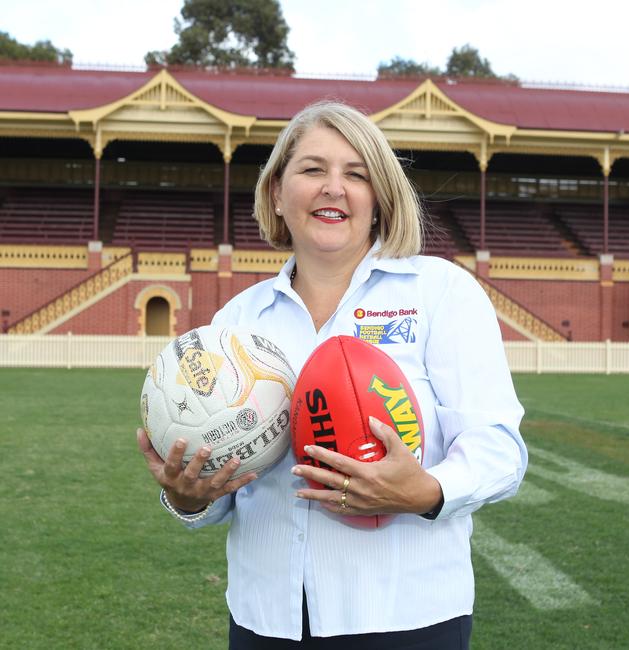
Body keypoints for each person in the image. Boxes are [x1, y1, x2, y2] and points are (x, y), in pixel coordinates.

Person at [137, 101, 527, 649]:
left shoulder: (440, 292)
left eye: (357, 174)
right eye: (313, 169)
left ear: (380, 196)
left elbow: (499, 449)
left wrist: (426, 489)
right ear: (277, 191)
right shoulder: (237, 323)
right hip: (264, 620)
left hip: (408, 619)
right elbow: (225, 496)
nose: (333, 188)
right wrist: (189, 496)